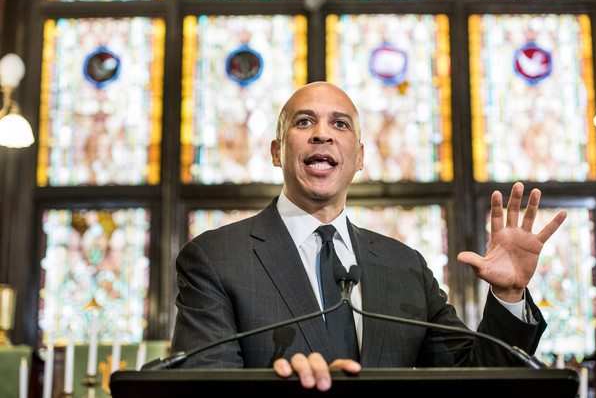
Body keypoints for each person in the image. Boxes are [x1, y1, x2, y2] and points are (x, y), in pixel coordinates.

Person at [170, 82, 567, 391]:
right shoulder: (215, 257)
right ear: (276, 151)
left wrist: (509, 296)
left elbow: (477, 380)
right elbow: (203, 389)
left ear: (359, 157)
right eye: (304, 122)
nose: (322, 134)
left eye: (339, 124)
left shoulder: (404, 265)